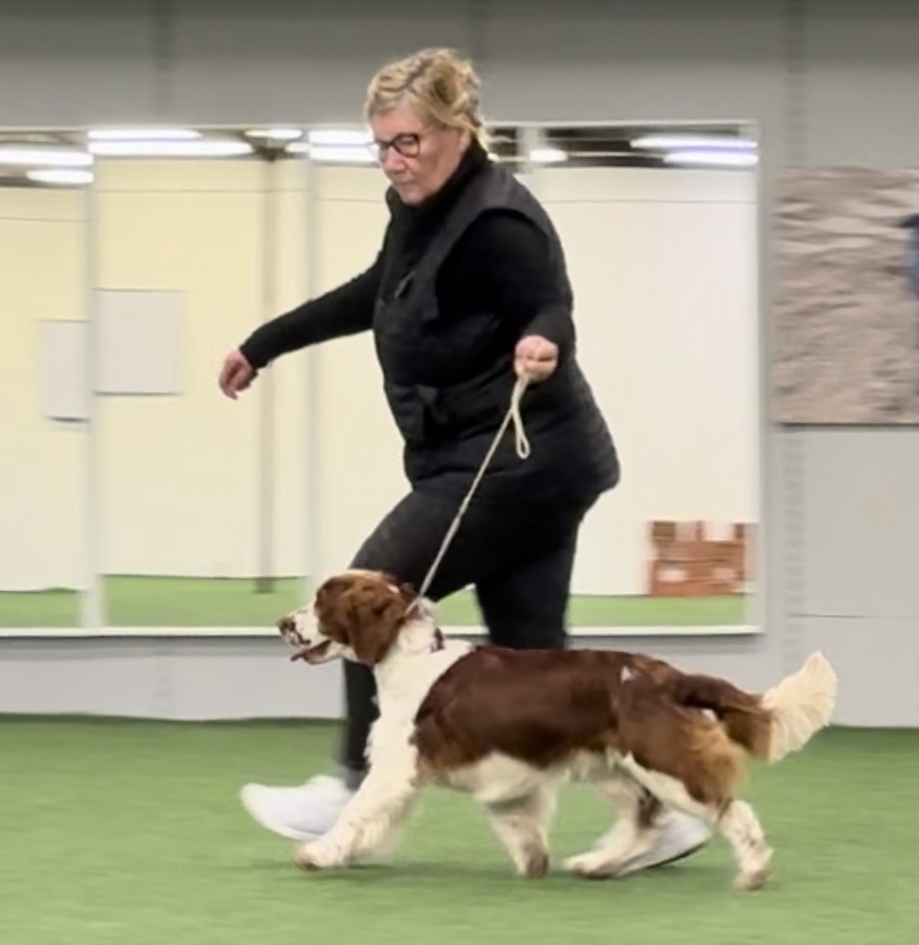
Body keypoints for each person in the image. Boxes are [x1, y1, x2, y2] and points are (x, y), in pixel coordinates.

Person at [219, 47, 711, 874]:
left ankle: (353, 788)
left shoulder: (499, 223)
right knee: (535, 659)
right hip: (533, 465)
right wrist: (263, 343)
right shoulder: (416, 208)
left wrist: (543, 341)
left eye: (408, 142)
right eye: (382, 145)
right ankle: (658, 813)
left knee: (369, 592)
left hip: (514, 458)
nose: (394, 160)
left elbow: (551, 303)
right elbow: (374, 294)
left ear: (458, 129)